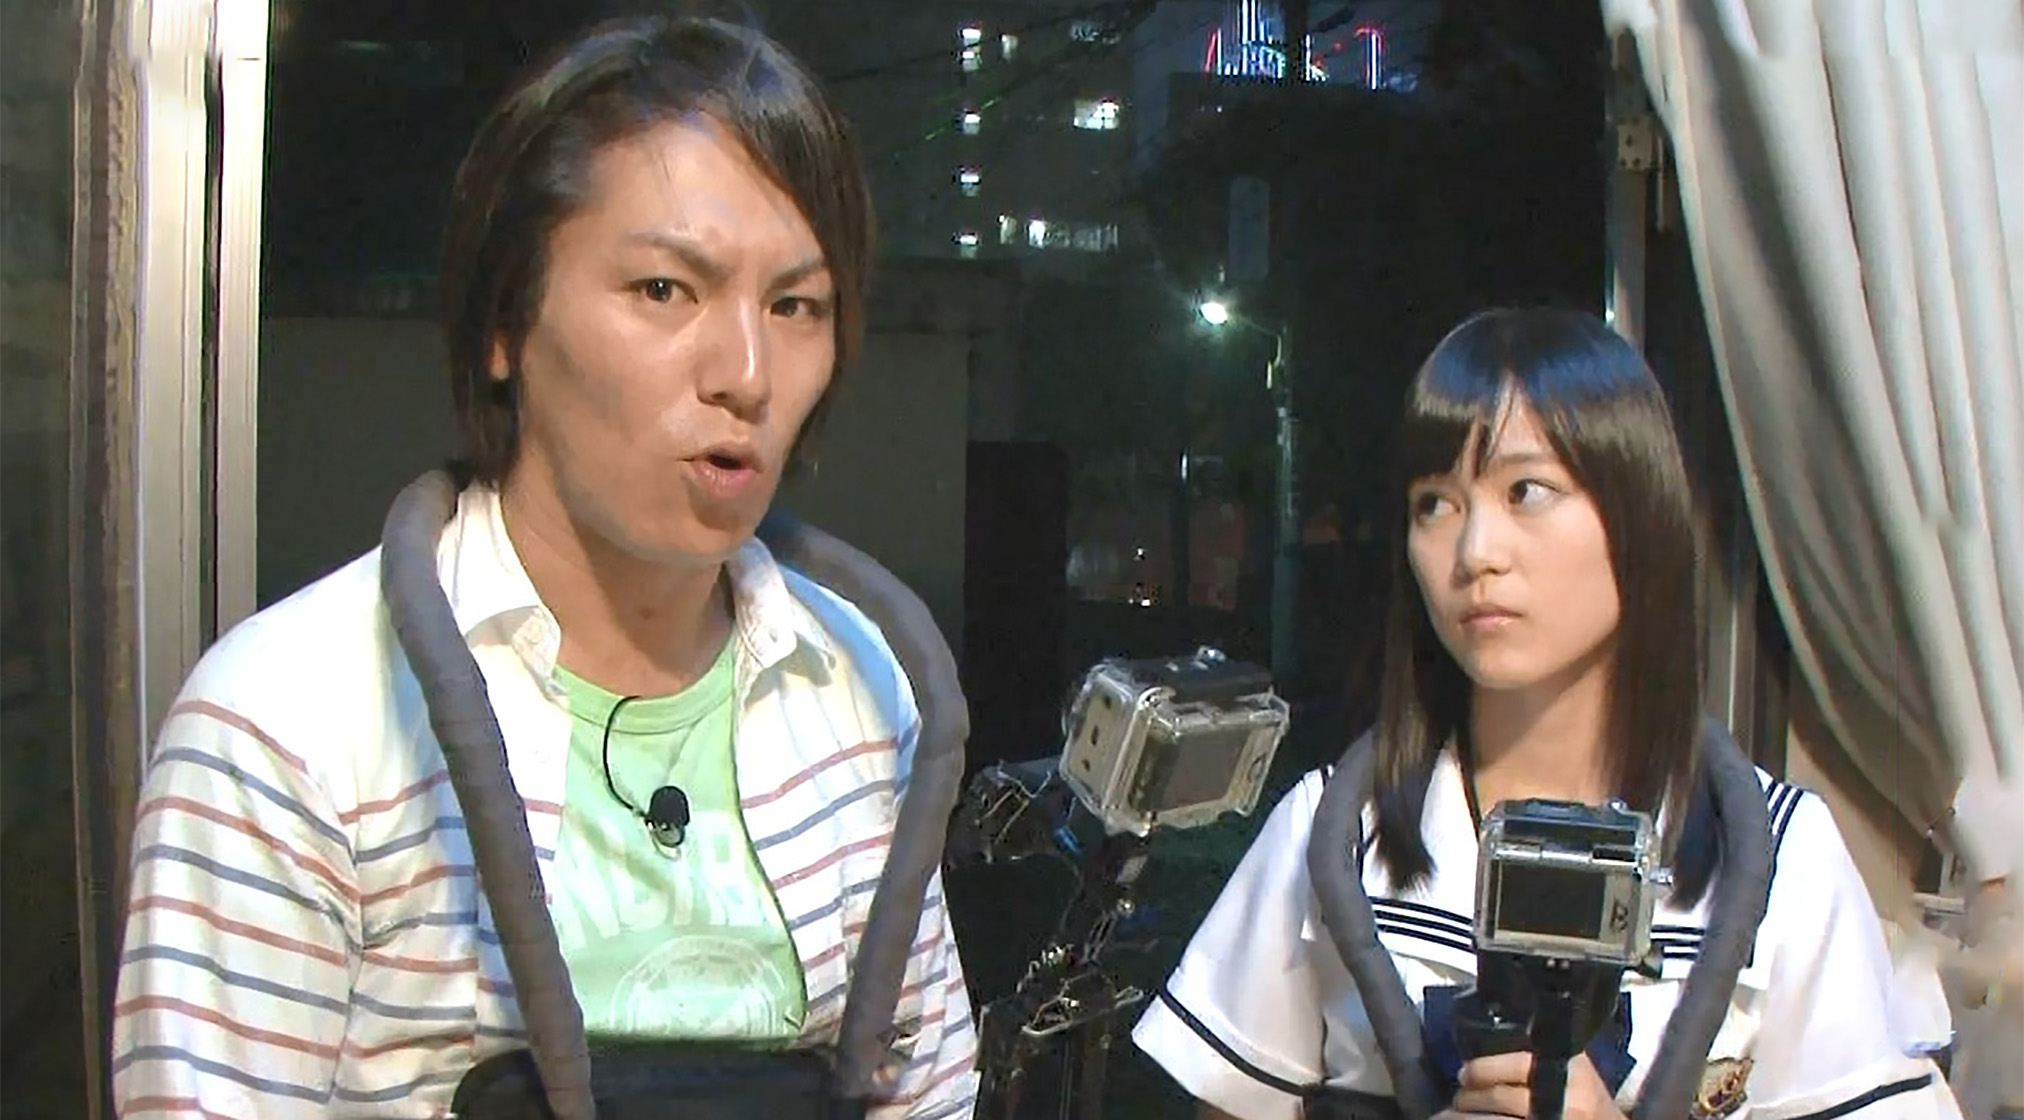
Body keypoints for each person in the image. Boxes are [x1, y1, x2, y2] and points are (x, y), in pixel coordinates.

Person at [110, 16, 977, 1119]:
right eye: (664, 290)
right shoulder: (290, 722)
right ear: (505, 324)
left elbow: (923, 1092)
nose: (748, 374)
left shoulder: (858, 687)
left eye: (794, 306)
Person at [1131, 308, 1960, 1120]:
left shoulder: (1782, 855)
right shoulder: (1333, 833)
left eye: (1526, 491)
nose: (1474, 553)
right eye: (1434, 504)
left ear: (1639, 513)